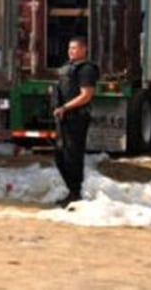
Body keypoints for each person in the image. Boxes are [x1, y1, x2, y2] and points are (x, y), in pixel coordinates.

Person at [51, 36, 100, 208]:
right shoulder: (68, 67)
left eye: (74, 48)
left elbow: (86, 95)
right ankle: (71, 190)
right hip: (63, 117)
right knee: (60, 156)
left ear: (84, 50)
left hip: (76, 118)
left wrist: (65, 107)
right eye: (69, 48)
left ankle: (75, 193)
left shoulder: (86, 69)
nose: (70, 51)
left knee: (72, 156)